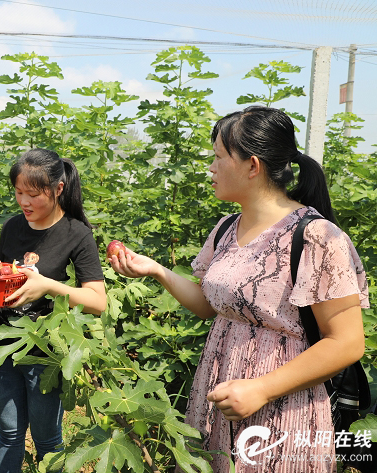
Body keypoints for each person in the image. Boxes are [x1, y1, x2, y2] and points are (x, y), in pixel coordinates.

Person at [109, 106, 368, 472]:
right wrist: (156, 271)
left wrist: (262, 388)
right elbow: (208, 305)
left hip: (283, 405)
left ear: (252, 165)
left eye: (218, 157)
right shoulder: (226, 228)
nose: (210, 168)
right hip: (219, 393)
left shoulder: (317, 237)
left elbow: (347, 342)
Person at [0, 149, 107, 473]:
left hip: (46, 350)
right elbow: (3, 273)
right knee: (10, 433)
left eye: (33, 194)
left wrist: (48, 286)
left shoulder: (76, 234)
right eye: (18, 193)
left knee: (47, 439)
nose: (24, 202)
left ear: (57, 189)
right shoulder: (13, 227)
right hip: (6, 344)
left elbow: (97, 301)